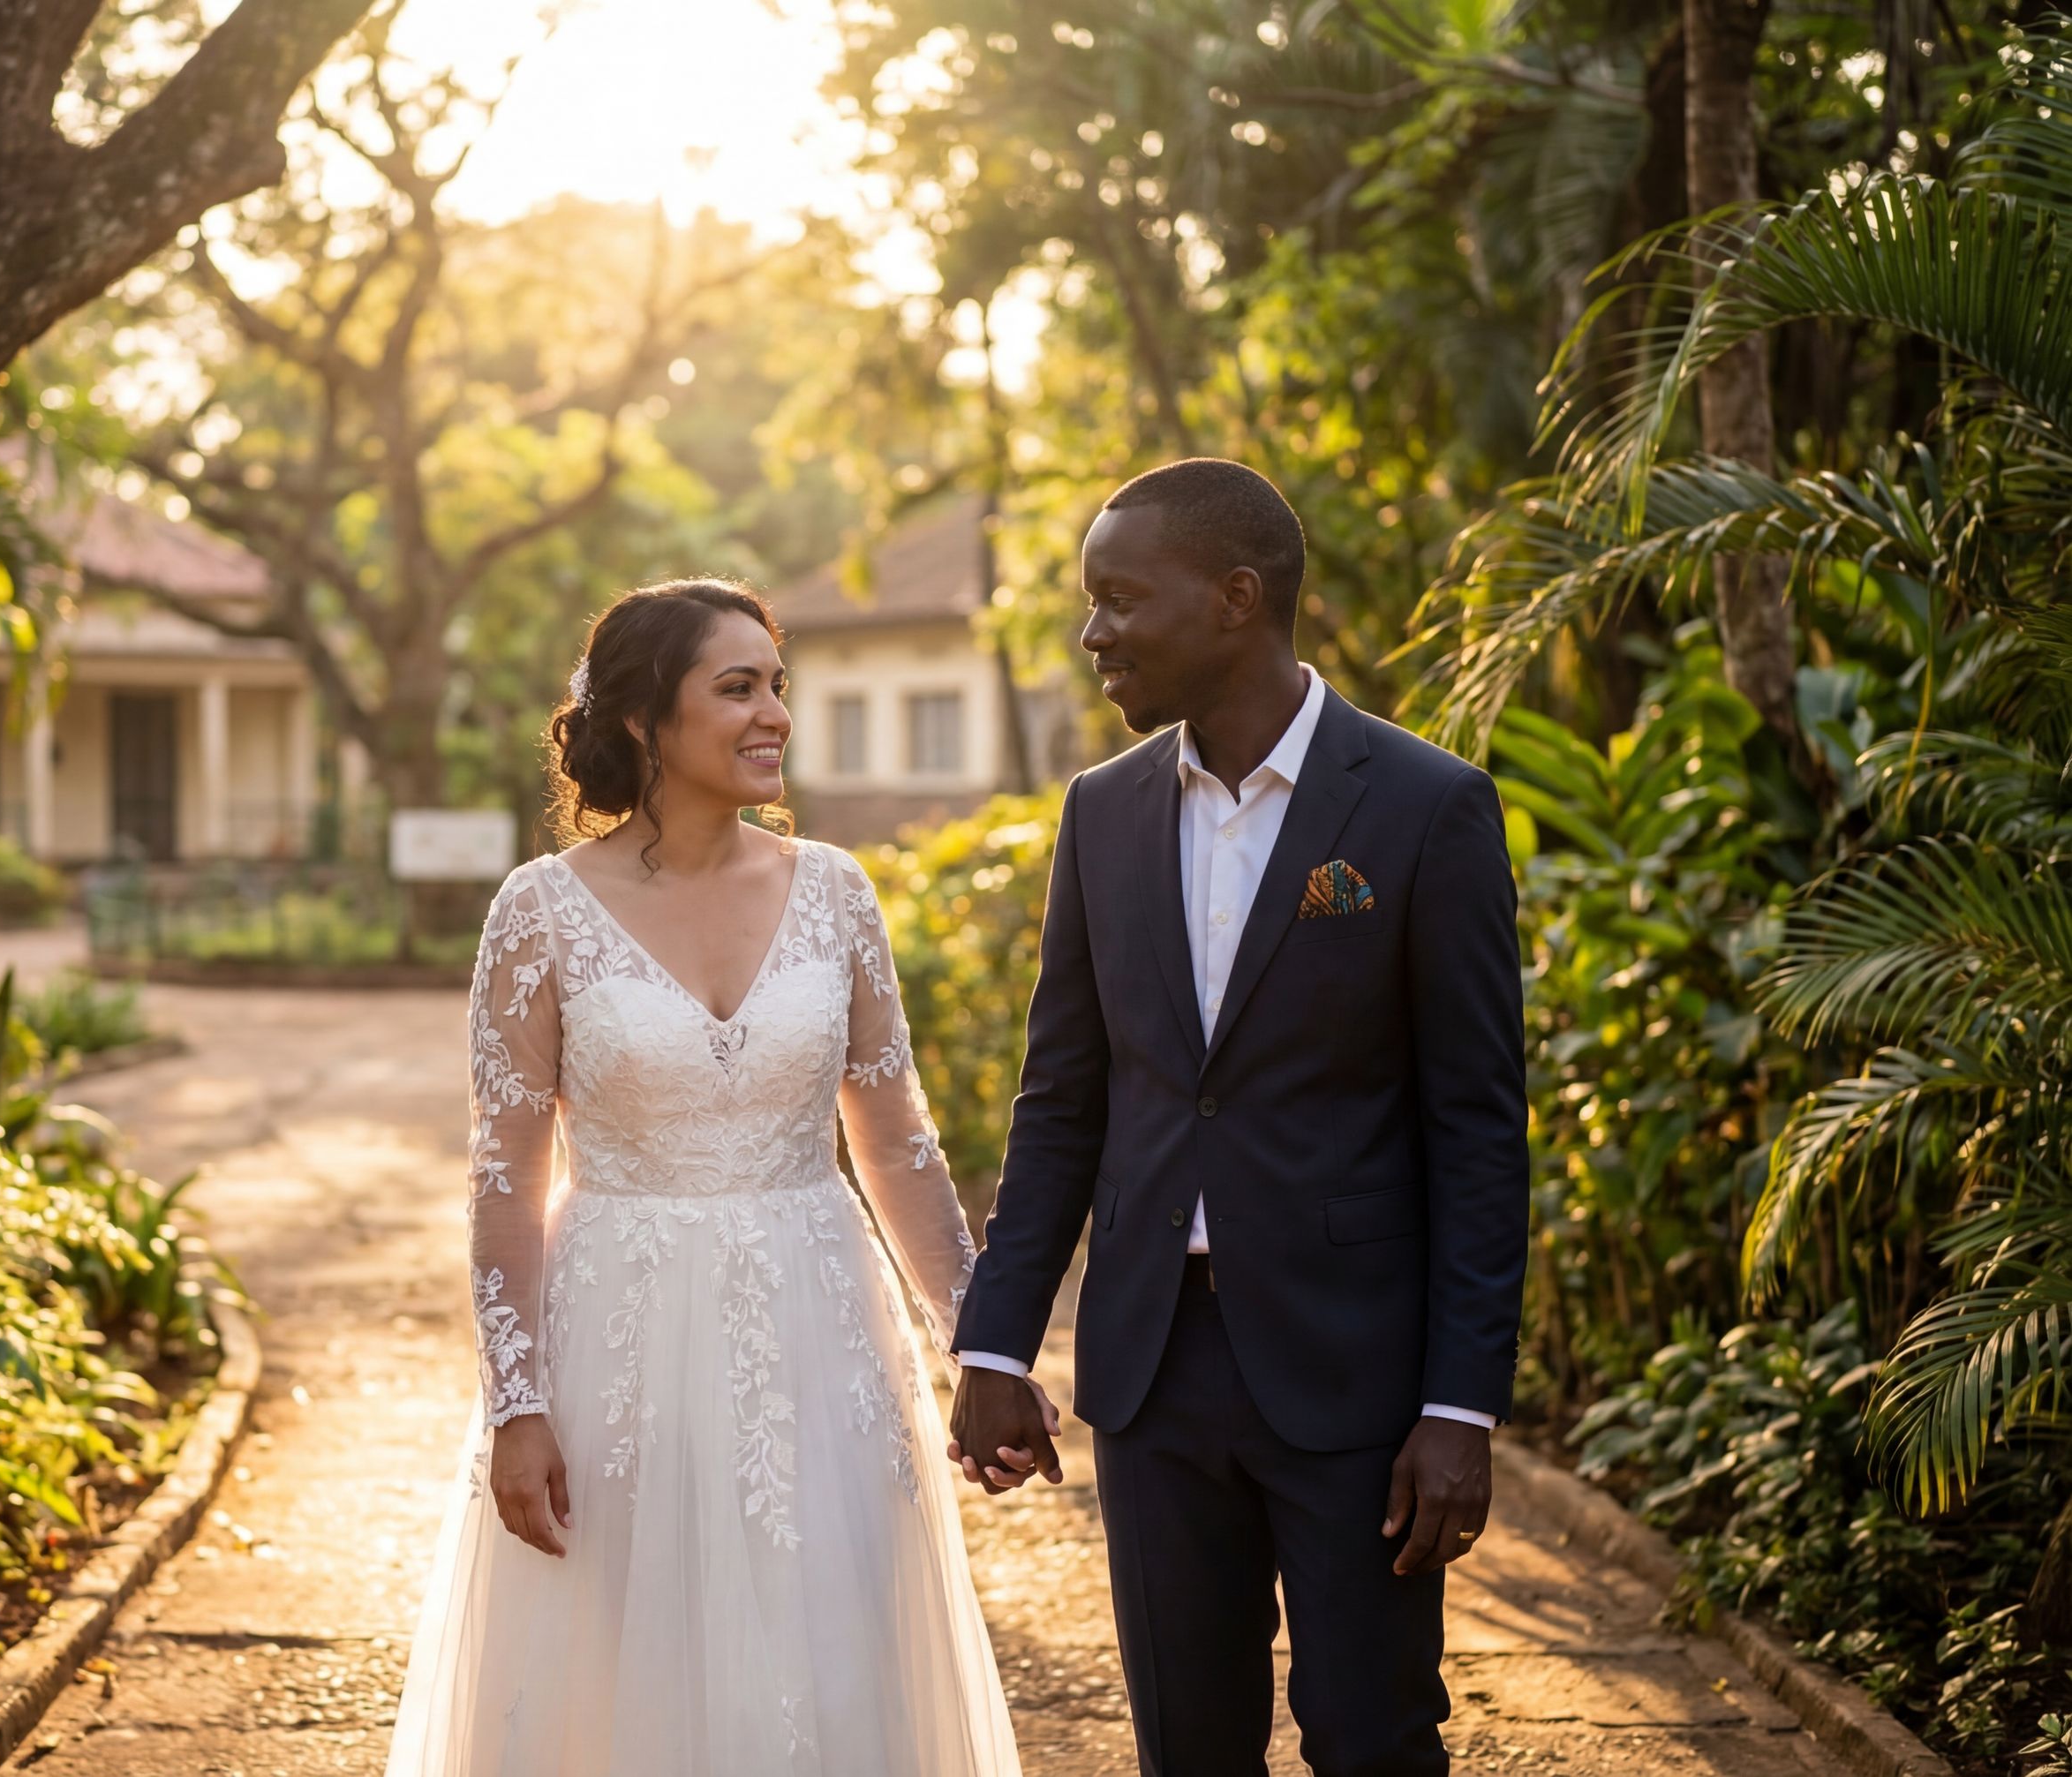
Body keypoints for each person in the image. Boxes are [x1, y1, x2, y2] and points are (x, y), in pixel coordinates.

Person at [386, 579, 1043, 1776]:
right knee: (631, 1678)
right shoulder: (539, 914)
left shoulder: (837, 890)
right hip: (620, 1350)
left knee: (834, 1662)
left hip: (823, 1336)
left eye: (777, 684)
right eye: (737, 687)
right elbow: (503, 1186)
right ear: (643, 718)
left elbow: (897, 1147)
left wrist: (979, 1345)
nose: (774, 713)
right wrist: (516, 1403)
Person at [947, 460, 1530, 1777]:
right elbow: (1063, 1101)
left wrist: (1461, 1406)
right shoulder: (1101, 813)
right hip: (1154, 1372)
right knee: (1187, 1748)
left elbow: (1480, 1128)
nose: (1092, 632)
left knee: (1376, 1740)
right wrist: (995, 1338)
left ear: (1235, 598)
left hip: (1357, 1378)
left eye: (1117, 599)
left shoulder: (1429, 807)